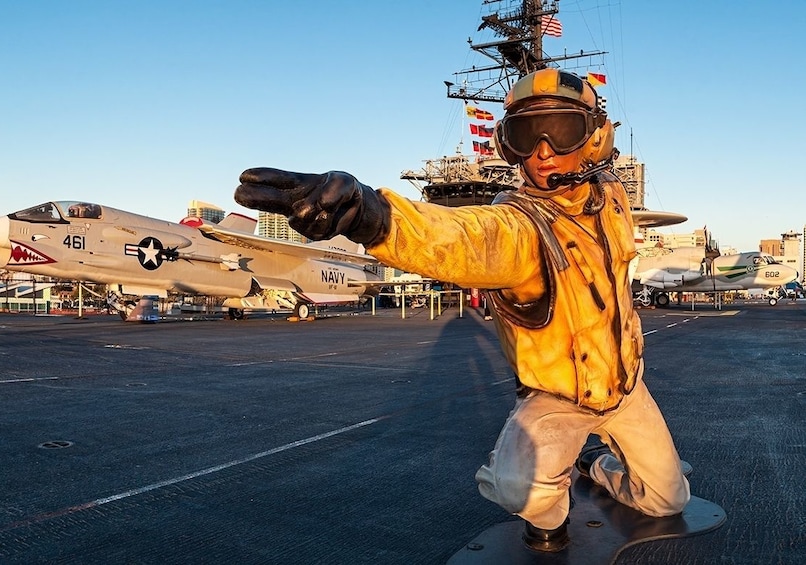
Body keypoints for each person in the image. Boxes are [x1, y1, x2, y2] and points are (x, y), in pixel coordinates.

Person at [235, 68, 690, 553]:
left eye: (562, 130)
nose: (541, 150)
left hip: (626, 388)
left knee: (668, 501)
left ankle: (597, 465)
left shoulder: (611, 197)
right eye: (524, 134)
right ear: (506, 144)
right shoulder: (521, 229)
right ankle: (551, 512)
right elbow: (457, 238)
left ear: (596, 138)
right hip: (558, 397)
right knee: (521, 490)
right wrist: (368, 213)